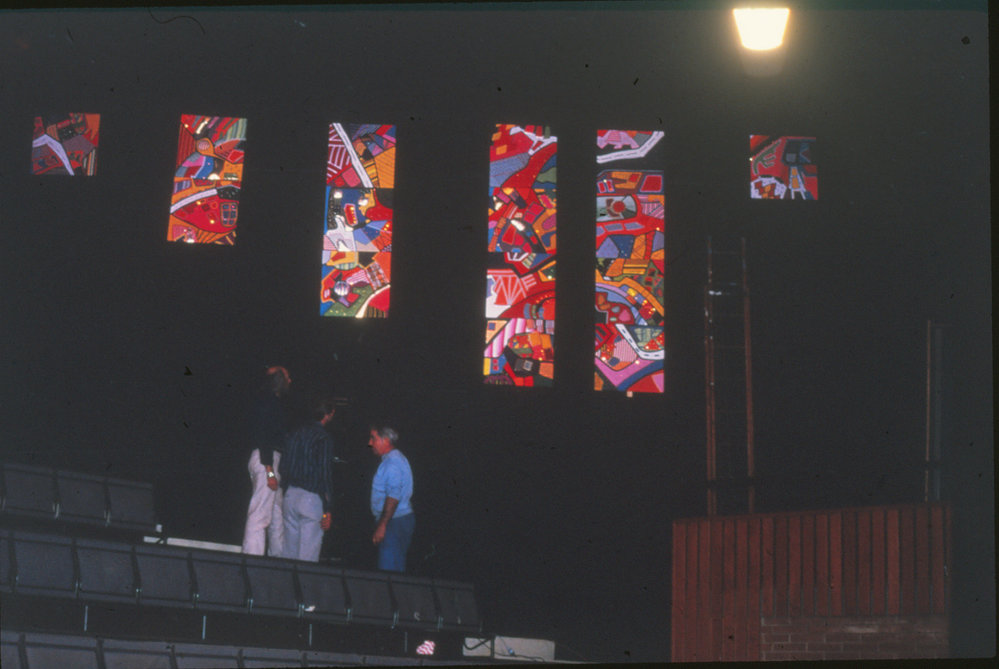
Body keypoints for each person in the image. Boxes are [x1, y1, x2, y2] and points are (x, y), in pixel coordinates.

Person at [279, 397, 337, 562]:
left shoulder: (294, 434)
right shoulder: (323, 438)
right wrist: (328, 509)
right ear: (328, 414)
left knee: (289, 553)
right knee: (307, 557)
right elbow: (324, 474)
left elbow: (283, 466)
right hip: (310, 498)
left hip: (290, 495)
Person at [241, 365, 291, 556]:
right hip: (266, 460)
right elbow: (264, 437)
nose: (290, 381)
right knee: (260, 513)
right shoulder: (268, 403)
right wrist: (269, 470)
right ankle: (251, 559)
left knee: (276, 514)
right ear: (279, 381)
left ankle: (277, 560)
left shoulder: (271, 402)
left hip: (269, 459)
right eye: (287, 377)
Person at [368, 424, 414, 572]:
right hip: (400, 520)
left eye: (373, 438)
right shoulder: (397, 459)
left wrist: (383, 525)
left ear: (385, 440)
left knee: (388, 573)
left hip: (394, 522)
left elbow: (393, 496)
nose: (370, 443)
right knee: (396, 569)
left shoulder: (392, 463)